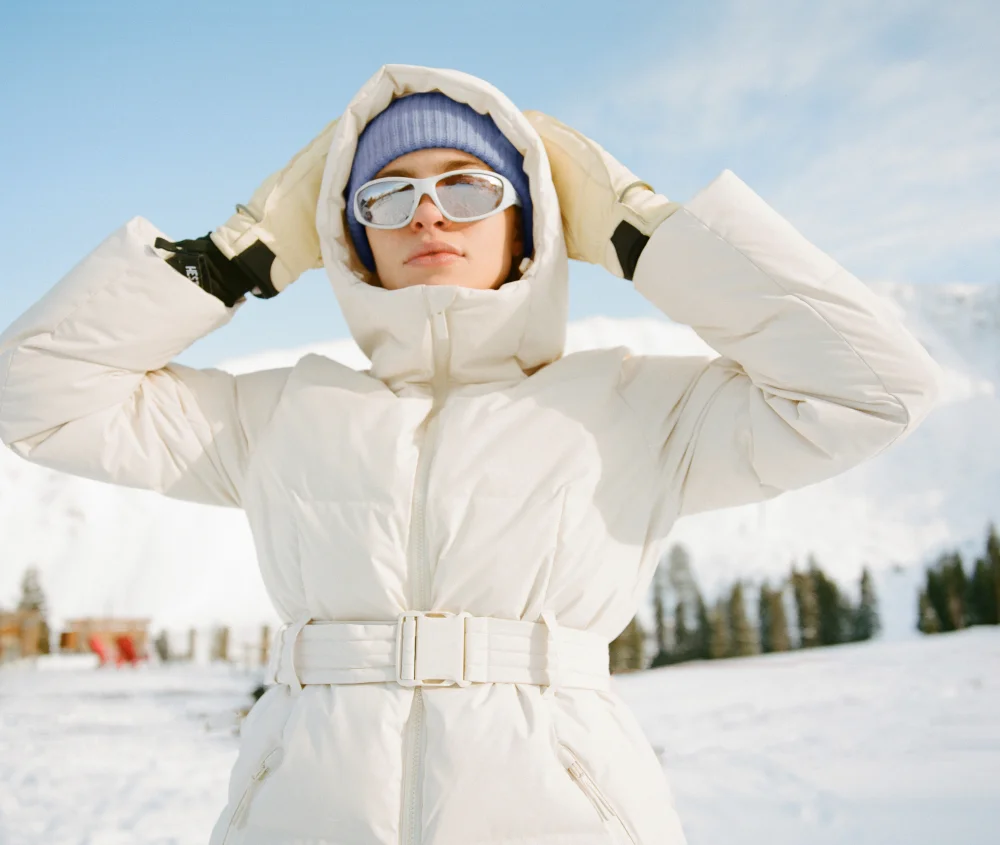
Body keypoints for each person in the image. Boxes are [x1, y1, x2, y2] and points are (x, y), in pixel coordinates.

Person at [0, 64, 941, 845]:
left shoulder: (636, 407)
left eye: (468, 185)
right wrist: (233, 254)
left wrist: (645, 230)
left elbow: (873, 388)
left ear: (529, 219)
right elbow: (34, 398)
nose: (428, 215)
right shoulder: (279, 413)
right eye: (387, 191)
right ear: (348, 233)